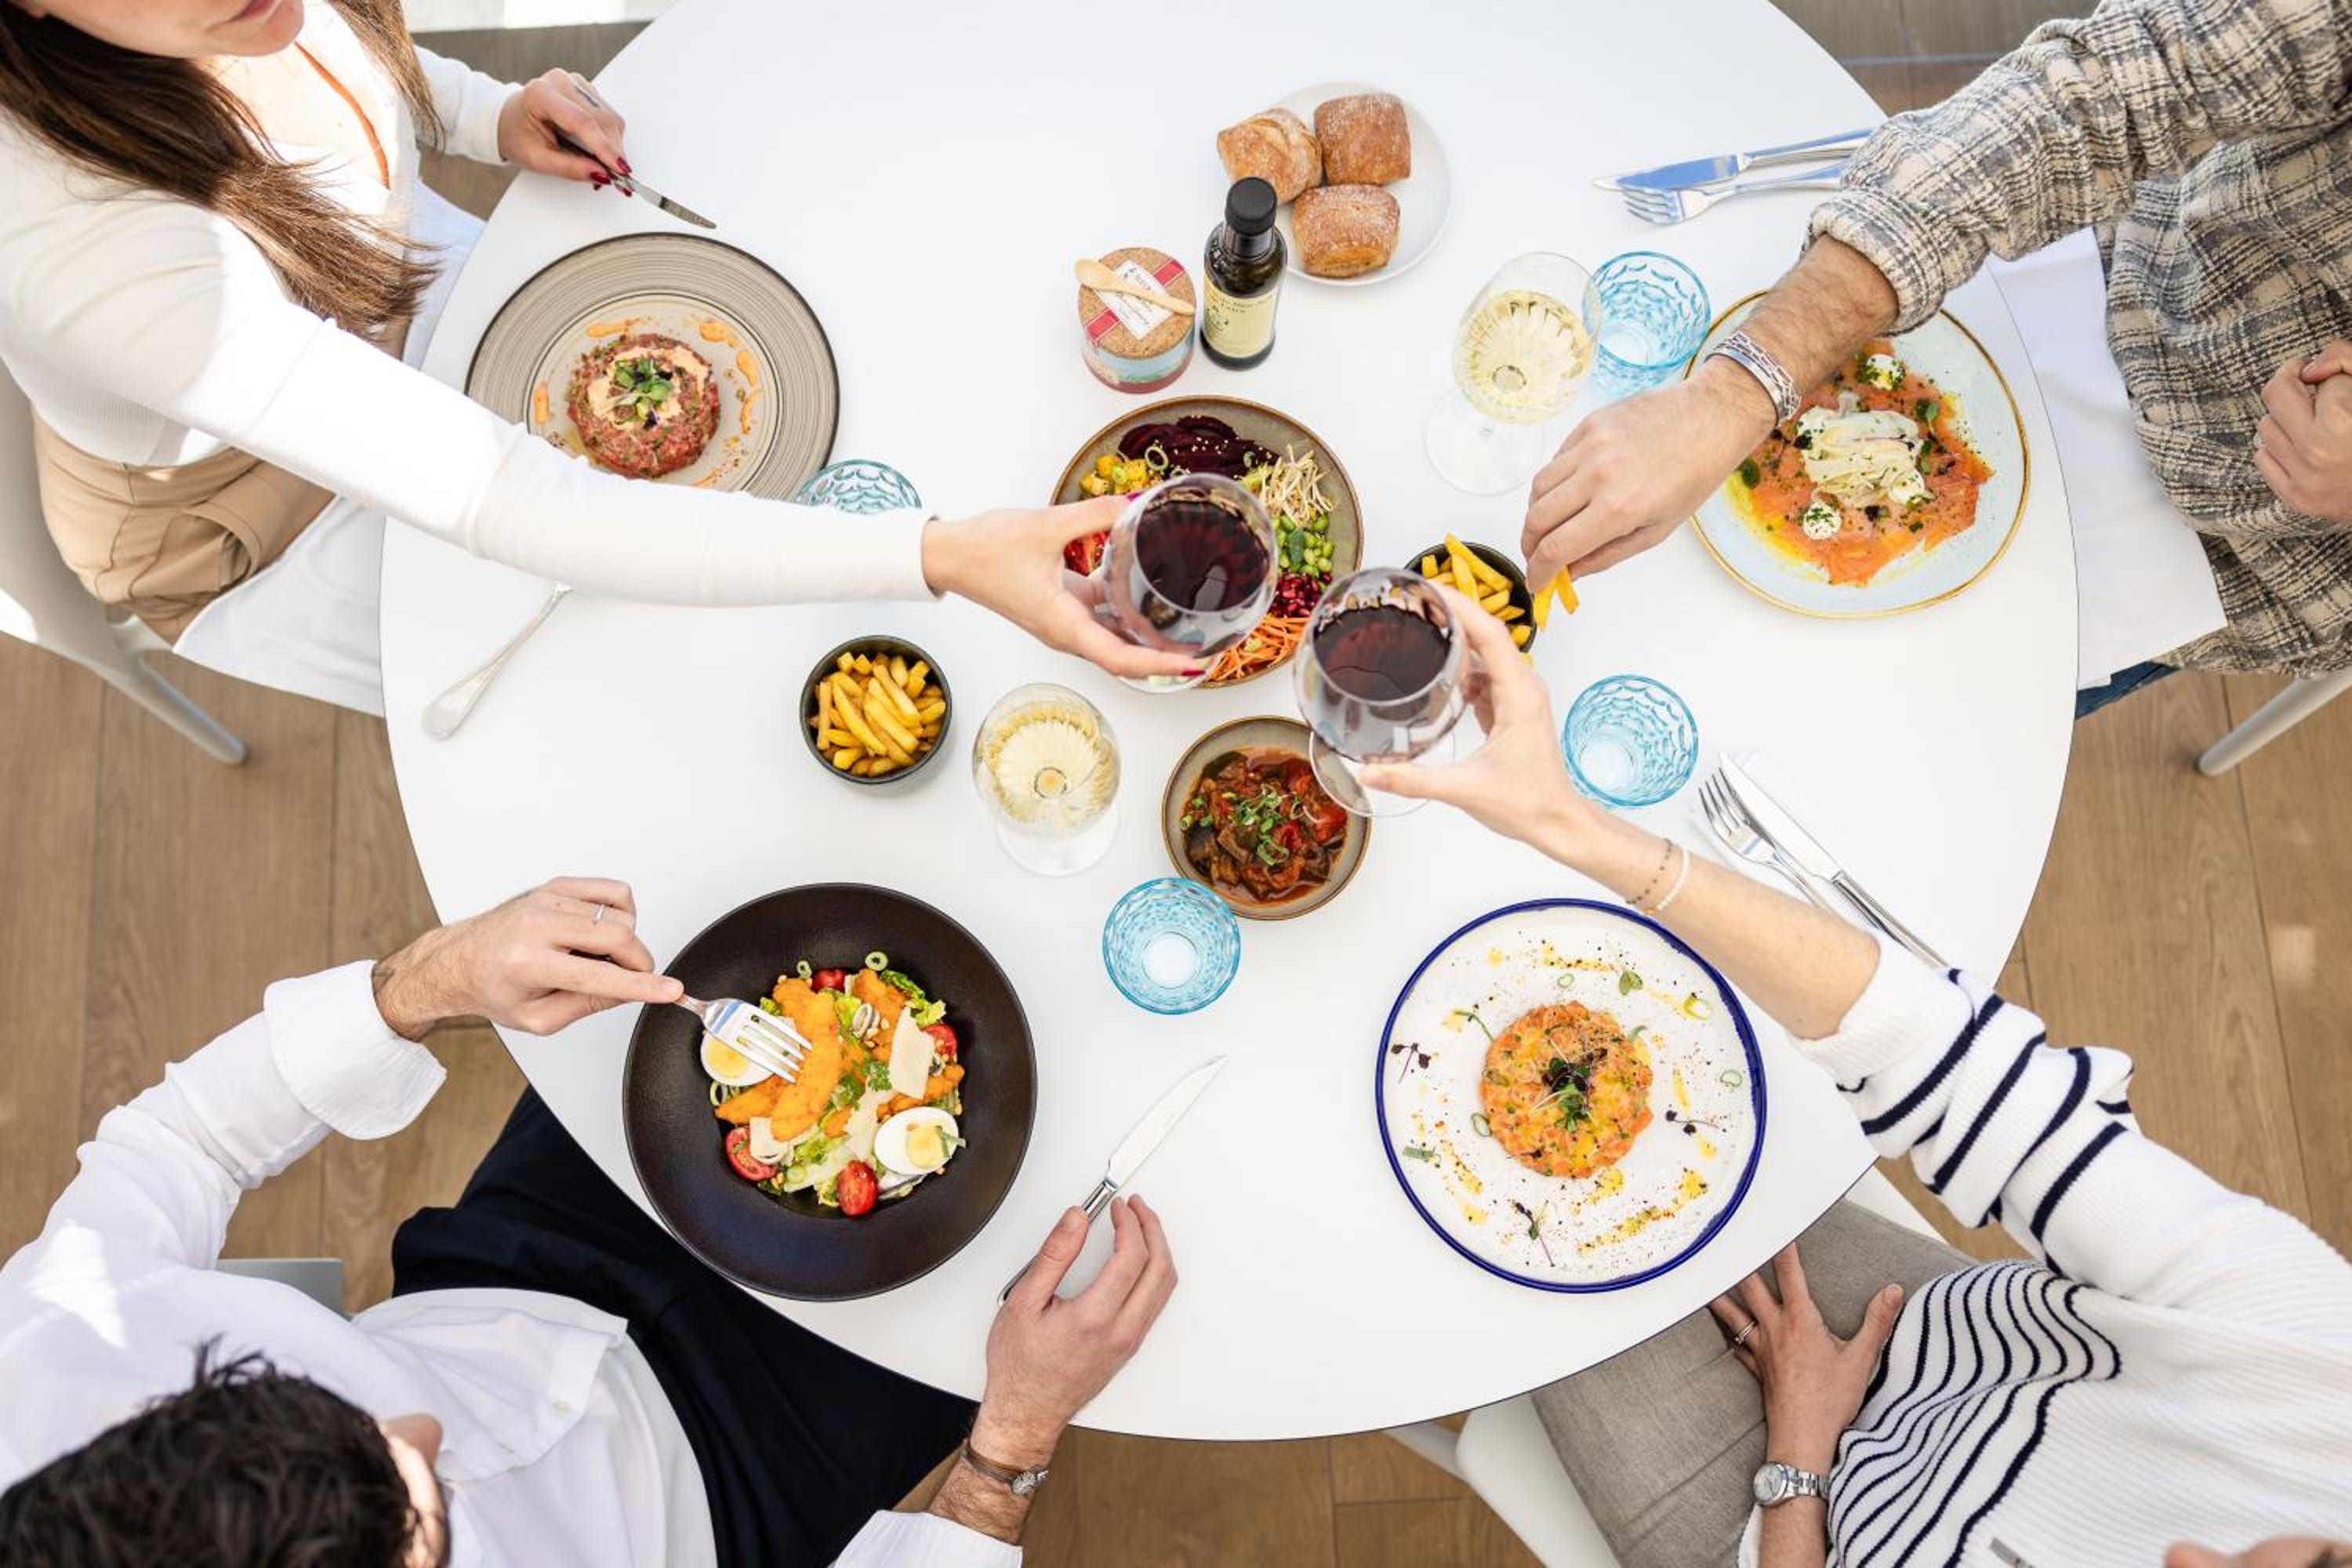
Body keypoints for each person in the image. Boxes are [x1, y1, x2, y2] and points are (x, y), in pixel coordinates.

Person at [1364, 596, 2352, 1567]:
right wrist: (1582, 832)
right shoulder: (2317, 1365)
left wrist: (1801, 1459)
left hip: (1766, 1533)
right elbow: (1967, 1077)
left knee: (1485, 1251)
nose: (2188, 1556)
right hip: (1935, 1342)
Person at [0, 0, 1185, 714]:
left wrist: (485, 113)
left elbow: (339, 63)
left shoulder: (218, 12)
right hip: (270, 524)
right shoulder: (89, 256)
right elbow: (508, 497)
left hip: (376, 284)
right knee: (607, 685)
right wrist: (939, 553)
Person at [0, 877, 1178, 1566]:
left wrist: (430, 979)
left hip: (516, 1273)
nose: (422, 1424)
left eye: (334, 1404)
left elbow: (178, 1144)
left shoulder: (54, 1367)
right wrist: (1009, 1448)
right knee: (1080, 1199)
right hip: (746, 1484)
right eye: (430, 1515)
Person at [1523, 0, 2352, 713]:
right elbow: (2097, 93)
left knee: (1845, 714)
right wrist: (1734, 395)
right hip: (2105, 264)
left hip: (2241, 564)